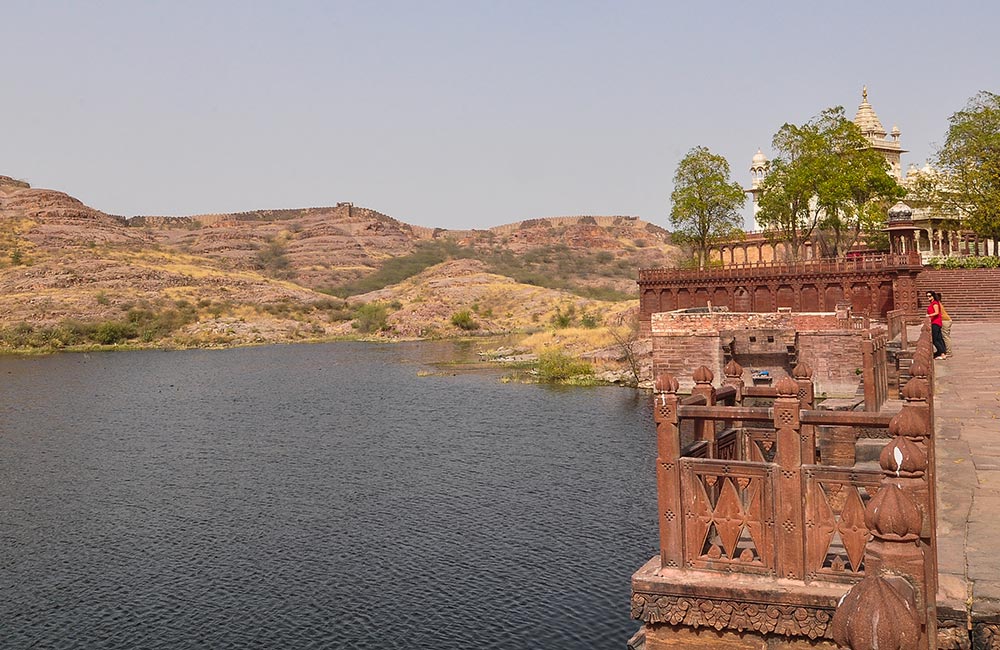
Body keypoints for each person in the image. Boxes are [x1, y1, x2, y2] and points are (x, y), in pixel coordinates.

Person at [926, 290, 947, 359]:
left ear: (933, 296)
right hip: (935, 322)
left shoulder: (935, 303)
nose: (928, 298)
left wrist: (929, 315)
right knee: (939, 338)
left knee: (935, 339)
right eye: (927, 296)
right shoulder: (933, 303)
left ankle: (942, 353)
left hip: (936, 322)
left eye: (930, 296)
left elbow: (937, 312)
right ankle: (942, 352)